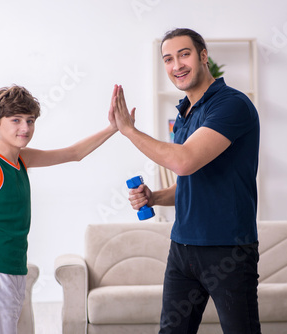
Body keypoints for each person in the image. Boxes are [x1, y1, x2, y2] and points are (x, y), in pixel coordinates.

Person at [110, 28, 261, 333]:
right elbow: (190, 183)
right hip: (183, 247)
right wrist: (155, 197)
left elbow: (184, 161)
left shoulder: (231, 105)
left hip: (227, 248)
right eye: (168, 59)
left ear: (203, 56)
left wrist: (128, 130)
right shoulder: (185, 113)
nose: (176, 65)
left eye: (184, 54)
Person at [0, 85, 117, 333]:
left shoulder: (22, 158)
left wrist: (112, 128)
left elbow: (74, 153)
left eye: (30, 121)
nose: (25, 128)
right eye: (16, 120)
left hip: (14, 268)